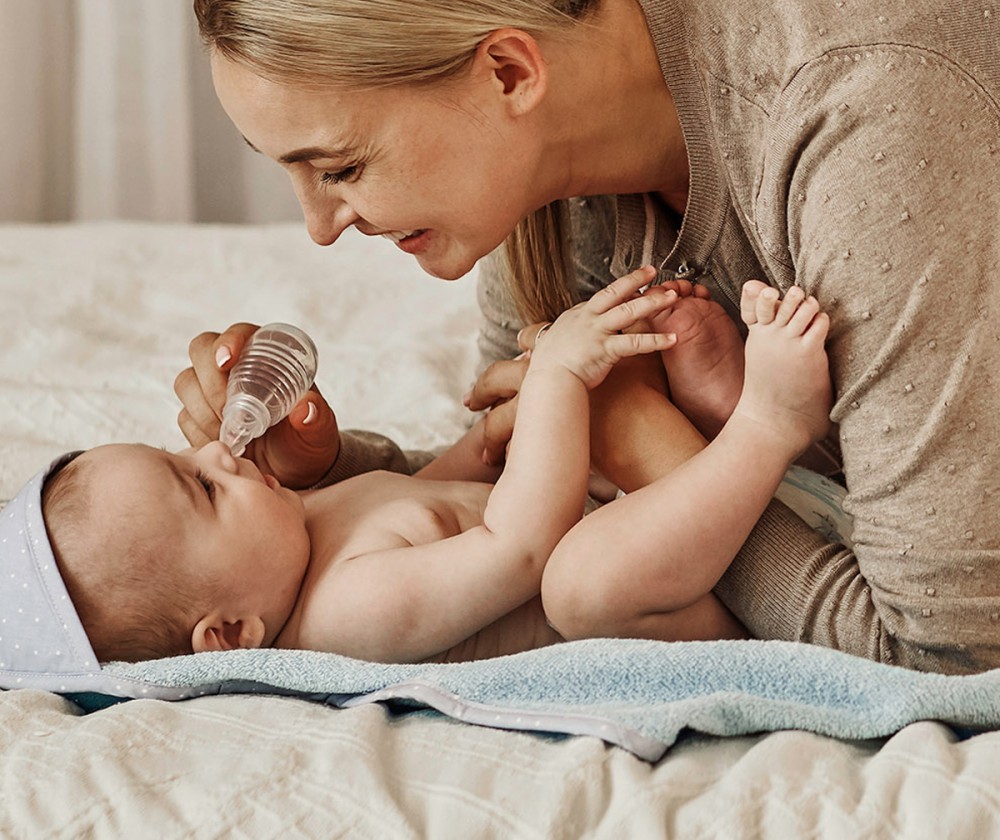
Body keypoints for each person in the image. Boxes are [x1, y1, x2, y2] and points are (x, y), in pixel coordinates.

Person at [178, 0, 1000, 673]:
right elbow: (526, 498)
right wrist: (323, 474)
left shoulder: (866, 132)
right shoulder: (546, 159)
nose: (319, 229)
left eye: (341, 168)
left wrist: (647, 441)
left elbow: (945, 652)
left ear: (507, 72)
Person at [22, 274, 832, 666]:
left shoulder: (297, 534)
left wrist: (483, 448)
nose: (212, 451)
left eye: (178, 455)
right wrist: (556, 377)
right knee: (582, 581)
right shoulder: (344, 614)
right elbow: (519, 544)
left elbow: (416, 502)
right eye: (201, 489)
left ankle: (700, 425)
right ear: (232, 633)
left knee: (580, 431)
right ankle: (767, 427)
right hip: (676, 606)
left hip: (653, 532)